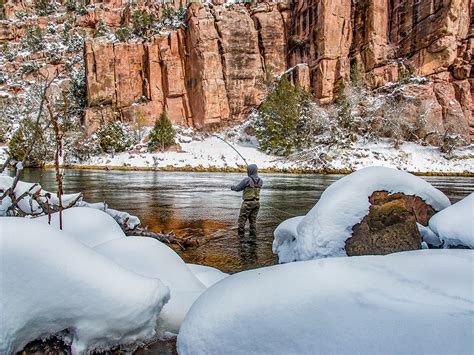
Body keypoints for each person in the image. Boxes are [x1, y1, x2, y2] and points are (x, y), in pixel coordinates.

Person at [231, 164, 263, 237]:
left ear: (250, 171)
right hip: (257, 203)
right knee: (253, 220)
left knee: (242, 220)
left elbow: (238, 188)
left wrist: (232, 187)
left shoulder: (247, 180)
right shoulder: (261, 181)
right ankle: (253, 237)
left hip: (248, 203)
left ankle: (241, 237)